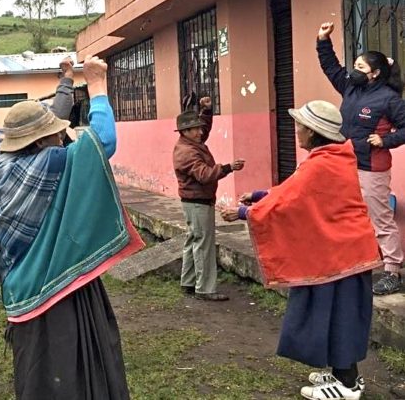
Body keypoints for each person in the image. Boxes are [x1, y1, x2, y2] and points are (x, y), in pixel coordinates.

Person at [0, 56, 144, 400]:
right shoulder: (52, 164)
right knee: (74, 371)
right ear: (40, 142)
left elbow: (58, 120)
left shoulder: (2, 172)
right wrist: (97, 86)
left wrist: (66, 82)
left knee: (38, 376)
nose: (60, 138)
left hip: (21, 292)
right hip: (60, 290)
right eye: (54, 134)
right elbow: (104, 143)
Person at [221, 100, 381, 400]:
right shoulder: (332, 157)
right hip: (346, 251)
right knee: (338, 315)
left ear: (313, 132)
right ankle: (344, 375)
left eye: (300, 127)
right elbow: (294, 191)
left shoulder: (322, 163)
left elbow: (290, 199)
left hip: (343, 254)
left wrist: (245, 213)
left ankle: (347, 385)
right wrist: (260, 195)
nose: (296, 132)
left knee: (340, 317)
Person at [317, 21, 405, 295]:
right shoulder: (351, 89)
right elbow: (331, 67)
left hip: (372, 167)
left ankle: (393, 271)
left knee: (381, 220)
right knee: (347, 215)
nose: (354, 71)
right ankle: (354, 263)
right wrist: (322, 40)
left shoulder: (389, 98)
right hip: (345, 163)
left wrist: (385, 140)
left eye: (361, 68)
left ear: (375, 73)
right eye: (355, 66)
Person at [173, 97, 245, 301]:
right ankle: (205, 288)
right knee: (204, 244)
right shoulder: (187, 153)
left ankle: (188, 281)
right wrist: (228, 167)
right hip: (197, 203)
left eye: (199, 127)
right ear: (184, 132)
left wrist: (206, 111)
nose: (200, 131)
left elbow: (205, 130)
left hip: (194, 202)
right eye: (195, 129)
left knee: (193, 240)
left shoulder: (190, 144)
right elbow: (204, 174)